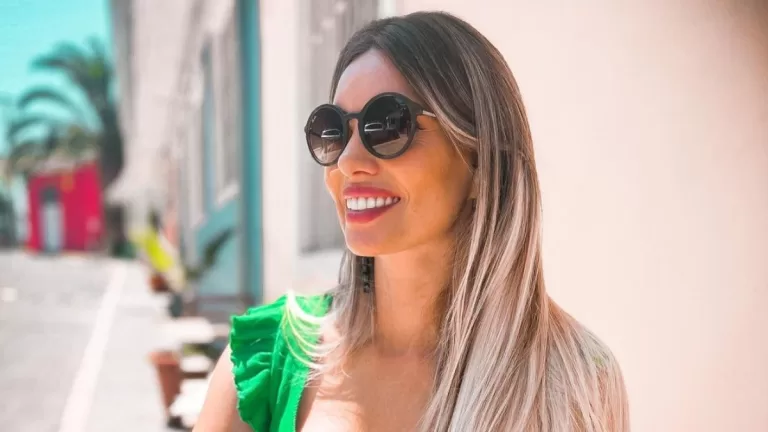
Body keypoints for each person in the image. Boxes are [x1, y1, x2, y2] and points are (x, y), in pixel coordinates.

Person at [195, 11, 629, 432]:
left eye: (386, 126)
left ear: (481, 163)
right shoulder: (268, 358)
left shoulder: (575, 380)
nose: (347, 161)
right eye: (333, 131)